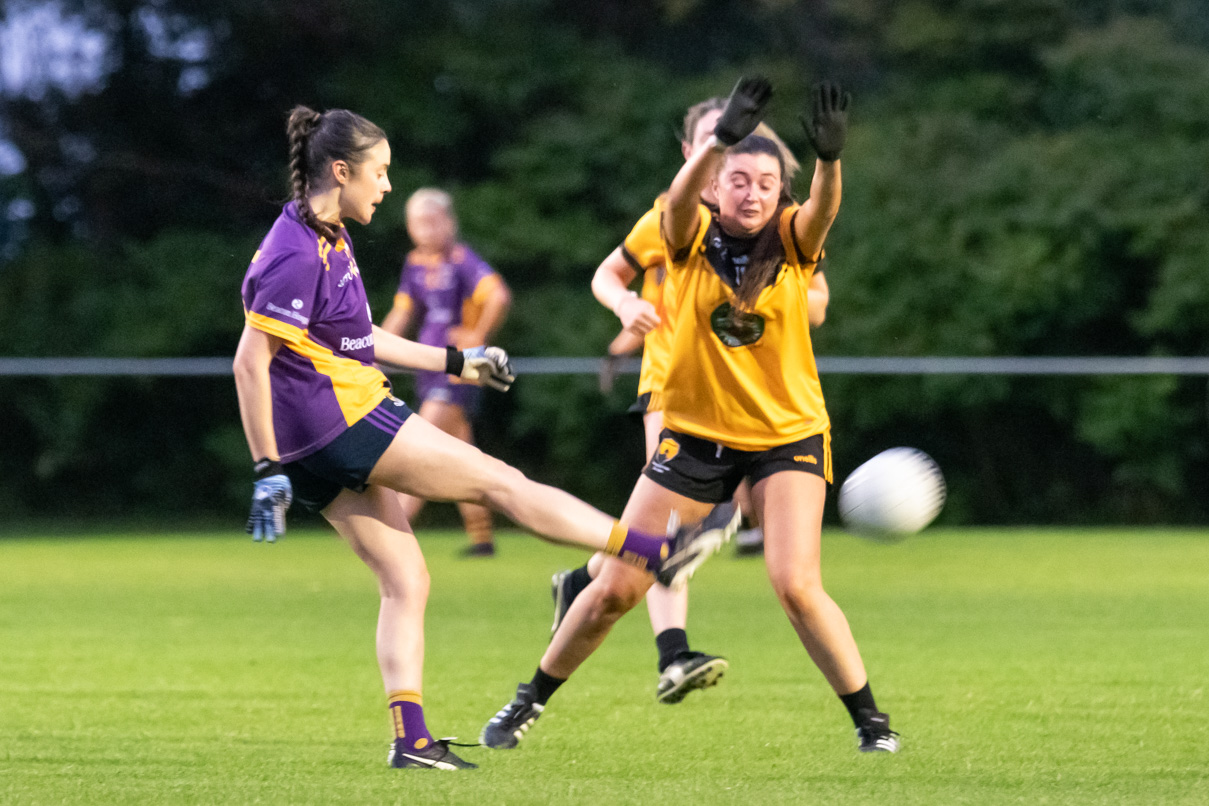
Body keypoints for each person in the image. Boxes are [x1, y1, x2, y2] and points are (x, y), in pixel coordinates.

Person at [233, 105, 738, 770]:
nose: (386, 187)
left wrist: (456, 361)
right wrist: (262, 464)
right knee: (502, 482)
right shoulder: (297, 253)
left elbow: (361, 342)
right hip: (342, 422)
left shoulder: (324, 236)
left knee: (406, 581)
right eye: (379, 173)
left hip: (313, 444)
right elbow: (249, 363)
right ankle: (653, 551)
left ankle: (410, 739)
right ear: (340, 170)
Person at [482, 77, 899, 754]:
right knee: (617, 585)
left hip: (788, 436)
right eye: (738, 178)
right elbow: (674, 205)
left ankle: (870, 724)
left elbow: (822, 213)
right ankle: (527, 700)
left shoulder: (791, 238)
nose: (754, 191)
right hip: (696, 437)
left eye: (766, 181)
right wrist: (718, 143)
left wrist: (828, 160)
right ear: (712, 184)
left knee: (795, 584)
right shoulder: (684, 230)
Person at [554, 105, 829, 705]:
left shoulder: (774, 226)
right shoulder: (669, 217)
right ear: (693, 154)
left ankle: (584, 583)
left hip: (742, 392)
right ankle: (672, 653)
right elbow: (609, 276)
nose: (721, 155)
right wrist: (626, 311)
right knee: (673, 528)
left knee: (673, 530)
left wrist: (762, 288)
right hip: (672, 384)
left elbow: (817, 304)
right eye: (712, 142)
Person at [380, 188, 512, 557]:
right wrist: (369, 348)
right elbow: (402, 312)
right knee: (463, 456)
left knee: (416, 443)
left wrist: (477, 338)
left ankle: (393, 530)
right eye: (416, 223)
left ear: (449, 223)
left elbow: (497, 295)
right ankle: (482, 538)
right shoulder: (416, 264)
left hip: (458, 371)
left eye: (431, 222)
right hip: (430, 366)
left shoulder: (461, 260)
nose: (423, 230)